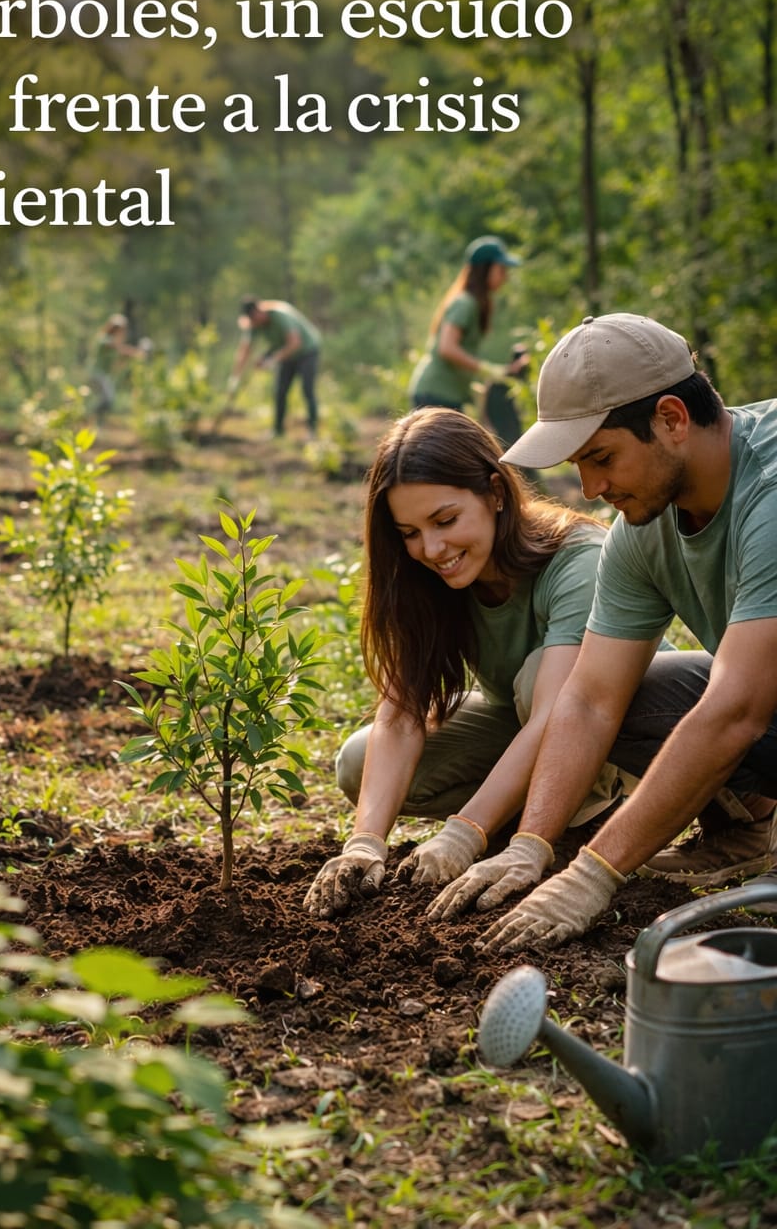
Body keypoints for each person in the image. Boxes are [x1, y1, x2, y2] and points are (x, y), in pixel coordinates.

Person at [434, 313, 777, 953]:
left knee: (724, 703)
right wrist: (531, 845)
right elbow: (591, 699)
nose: (591, 489)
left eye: (602, 458)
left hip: (755, 707)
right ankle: (747, 830)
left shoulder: (771, 493)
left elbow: (736, 712)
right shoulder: (643, 528)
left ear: (671, 419)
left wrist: (592, 874)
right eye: (579, 465)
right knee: (635, 695)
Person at [303, 406, 633, 921]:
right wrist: (364, 843)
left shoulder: (577, 559)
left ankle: (588, 812)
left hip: (614, 730)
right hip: (524, 720)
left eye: (445, 521)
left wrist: (465, 832)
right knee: (357, 762)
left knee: (536, 681)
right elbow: (400, 714)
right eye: (409, 532)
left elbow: (559, 713)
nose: (432, 548)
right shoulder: (429, 577)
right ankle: (541, 819)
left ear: (496, 493)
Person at [408, 235, 527, 412]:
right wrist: (488, 370)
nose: (505, 277)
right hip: (435, 394)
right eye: (501, 270)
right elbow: (447, 348)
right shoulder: (465, 303)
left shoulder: (475, 303)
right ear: (485, 269)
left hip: (447, 395)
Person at [231, 296, 322, 438]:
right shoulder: (254, 325)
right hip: (285, 353)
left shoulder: (280, 316)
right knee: (280, 391)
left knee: (307, 390)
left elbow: (295, 343)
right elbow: (245, 351)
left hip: (306, 351)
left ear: (259, 312)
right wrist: (235, 377)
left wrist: (272, 359)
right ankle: (278, 430)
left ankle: (312, 430)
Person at [89, 313, 144, 417]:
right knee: (108, 398)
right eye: (122, 331)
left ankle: (96, 420)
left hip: (103, 375)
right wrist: (135, 352)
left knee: (104, 400)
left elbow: (116, 365)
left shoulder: (113, 343)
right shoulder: (105, 339)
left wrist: (127, 359)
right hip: (97, 374)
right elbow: (118, 348)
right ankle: (89, 415)